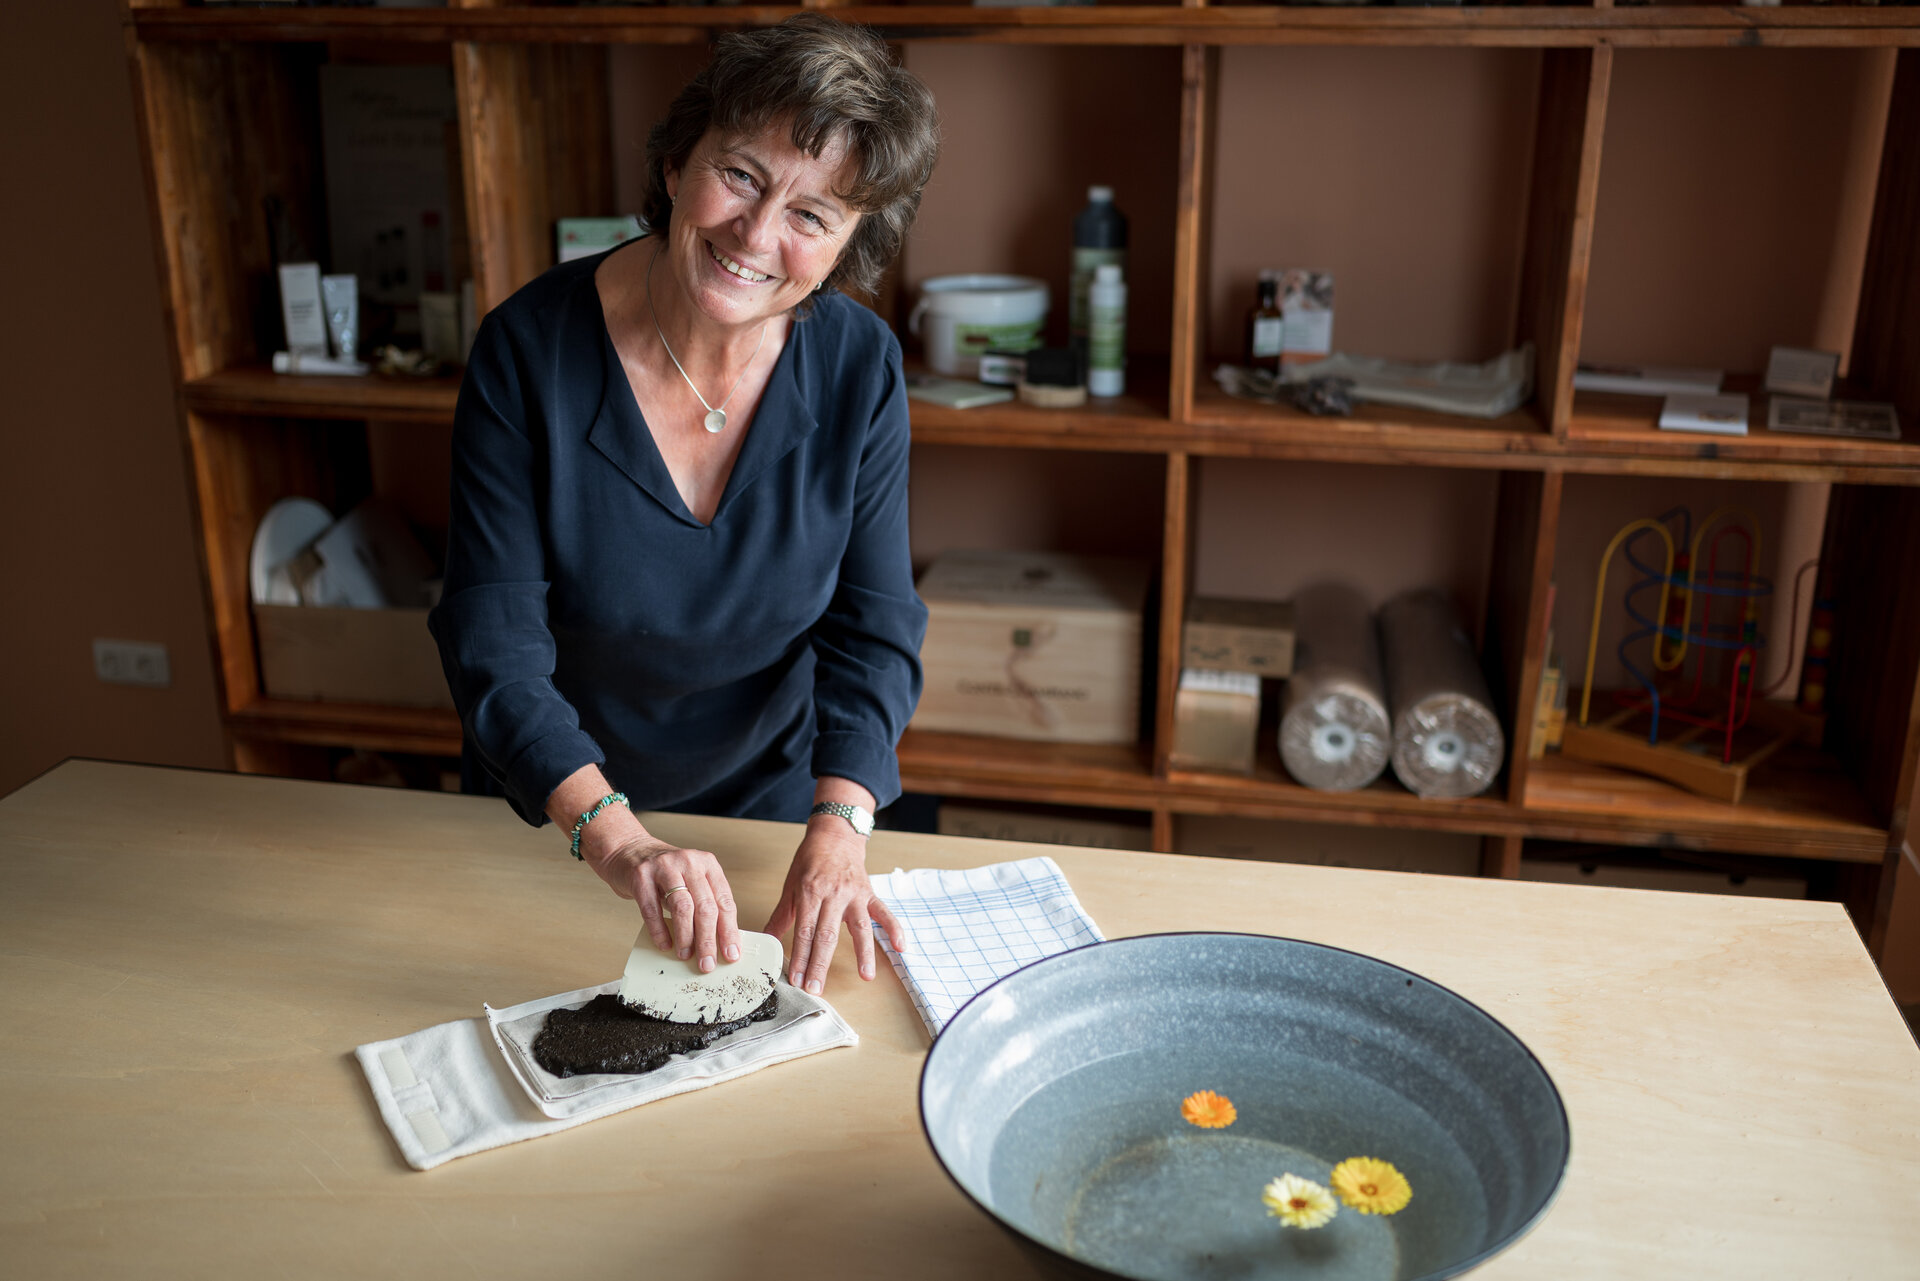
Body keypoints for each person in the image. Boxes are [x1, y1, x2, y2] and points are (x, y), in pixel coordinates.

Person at [429, 15, 939, 999]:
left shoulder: (859, 367)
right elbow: (493, 647)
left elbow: (873, 632)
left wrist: (837, 831)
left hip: (770, 822)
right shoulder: (526, 354)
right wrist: (623, 846)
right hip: (563, 811)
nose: (756, 236)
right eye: (741, 174)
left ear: (846, 248)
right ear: (675, 164)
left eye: (813, 214)